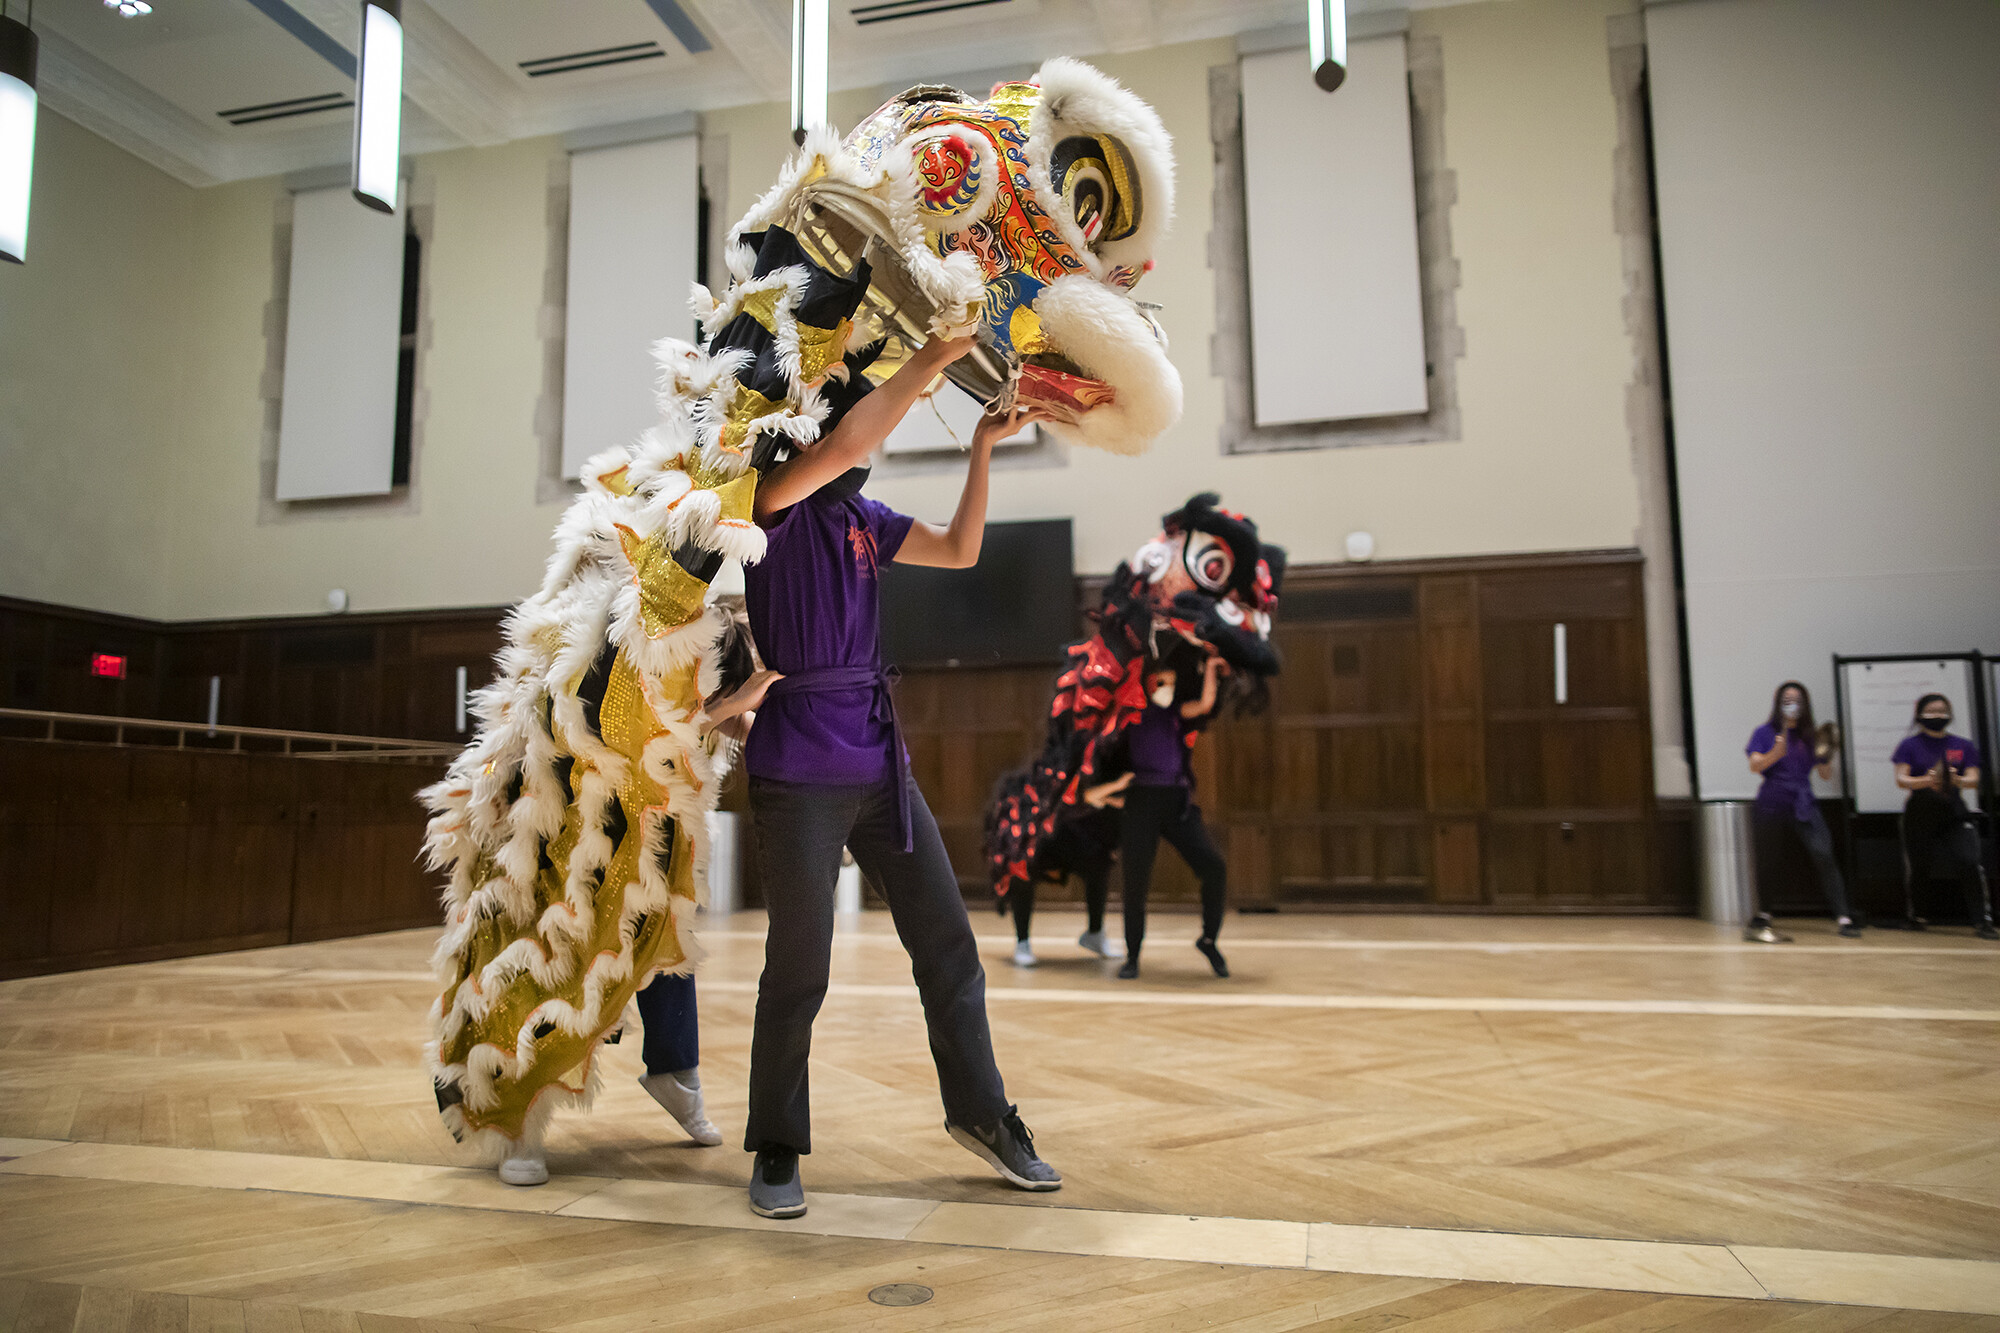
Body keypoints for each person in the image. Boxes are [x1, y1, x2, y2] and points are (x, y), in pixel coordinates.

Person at [739, 333, 1061, 1219]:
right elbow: (843, 445)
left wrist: (984, 448)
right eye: (854, 420)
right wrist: (928, 358)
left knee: (950, 945)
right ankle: (775, 1142)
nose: (865, 443)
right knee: (798, 965)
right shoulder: (770, 503)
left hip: (881, 764)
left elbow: (960, 549)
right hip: (798, 766)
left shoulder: (861, 521)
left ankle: (984, 1114)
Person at [1117, 655, 1231, 980]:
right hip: (1140, 803)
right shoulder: (1132, 716)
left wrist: (1210, 668)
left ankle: (1209, 940)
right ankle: (1132, 955)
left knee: (1214, 866)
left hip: (1175, 803)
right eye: (1160, 681)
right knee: (1135, 881)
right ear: (1149, 684)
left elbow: (1206, 703)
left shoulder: (1176, 714)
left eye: (1170, 681)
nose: (1166, 687)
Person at [1744, 681, 1856, 942]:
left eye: (1796, 700)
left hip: (1803, 802)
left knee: (1823, 853)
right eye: (1787, 699)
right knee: (1768, 859)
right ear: (1778, 703)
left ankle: (1844, 917)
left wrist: (1827, 754)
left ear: (1804, 704)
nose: (1791, 704)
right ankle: (1764, 914)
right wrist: (1776, 752)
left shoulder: (1812, 735)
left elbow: (1825, 775)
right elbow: (1755, 765)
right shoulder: (1765, 732)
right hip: (1772, 801)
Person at [1891, 693, 1996, 939]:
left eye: (1942, 710)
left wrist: (1955, 779)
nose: (1937, 715)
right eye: (1932, 711)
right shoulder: (1909, 745)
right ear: (1920, 715)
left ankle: (1982, 921)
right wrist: (1928, 780)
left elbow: (1973, 779)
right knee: (1919, 867)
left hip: (1954, 815)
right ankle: (1917, 917)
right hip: (1919, 814)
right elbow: (1901, 779)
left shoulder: (1963, 745)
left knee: (1969, 861)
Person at [1005, 817, 1123, 968]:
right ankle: (1022, 941)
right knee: (1021, 862)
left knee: (1099, 858)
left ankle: (1095, 933)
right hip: (1035, 820)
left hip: (1074, 825)